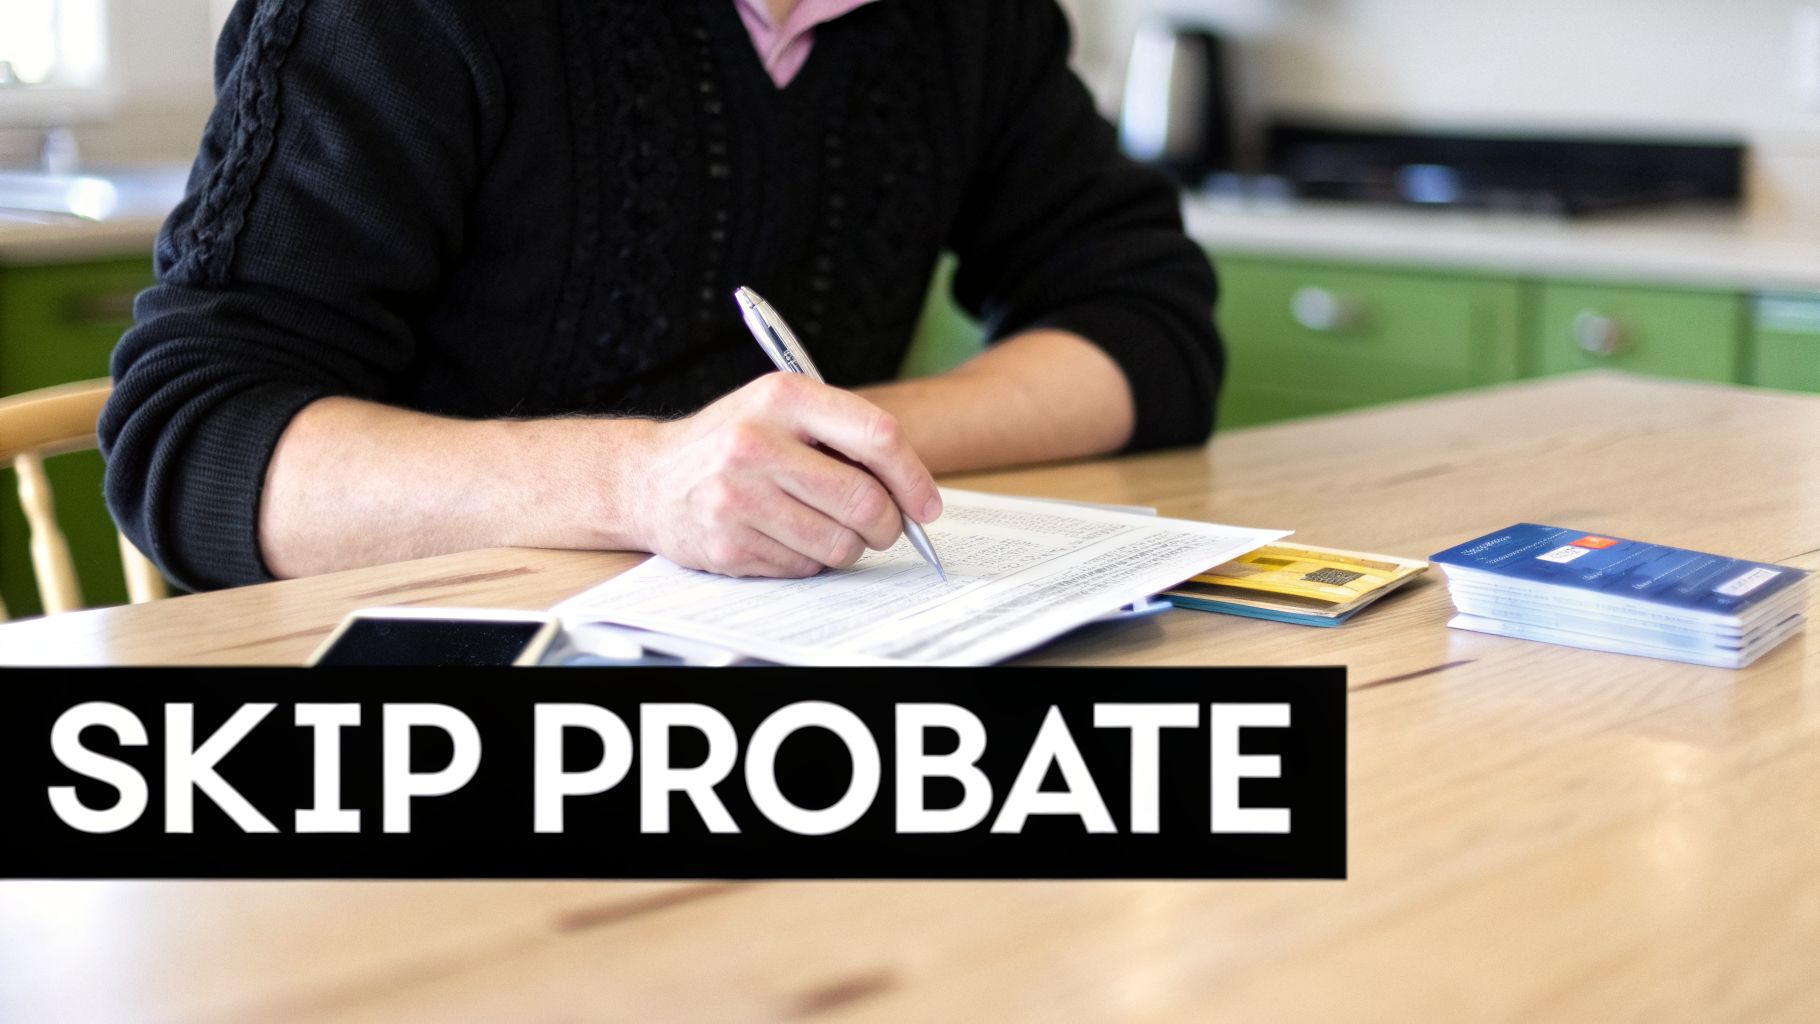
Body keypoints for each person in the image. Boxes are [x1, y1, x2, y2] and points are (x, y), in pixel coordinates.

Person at [100, 0, 1223, 591]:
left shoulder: (968, 20)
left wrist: (839, 449)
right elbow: (190, 442)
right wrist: (644, 481)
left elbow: (1147, 324)